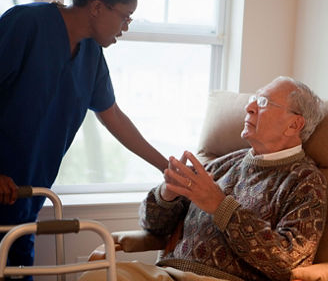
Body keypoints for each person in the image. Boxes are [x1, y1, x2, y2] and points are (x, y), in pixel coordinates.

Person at [0, 0, 168, 279]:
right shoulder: (27, 24)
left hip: (26, 197)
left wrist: (166, 166)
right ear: (96, 7)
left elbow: (113, 116)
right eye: (124, 15)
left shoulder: (91, 55)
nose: (127, 26)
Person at [81, 76, 327, 281]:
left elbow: (287, 262)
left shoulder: (306, 182)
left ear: (294, 124)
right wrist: (167, 196)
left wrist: (221, 206)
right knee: (95, 277)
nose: (249, 107)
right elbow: (154, 226)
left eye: (263, 102)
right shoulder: (223, 163)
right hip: (169, 273)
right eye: (253, 99)